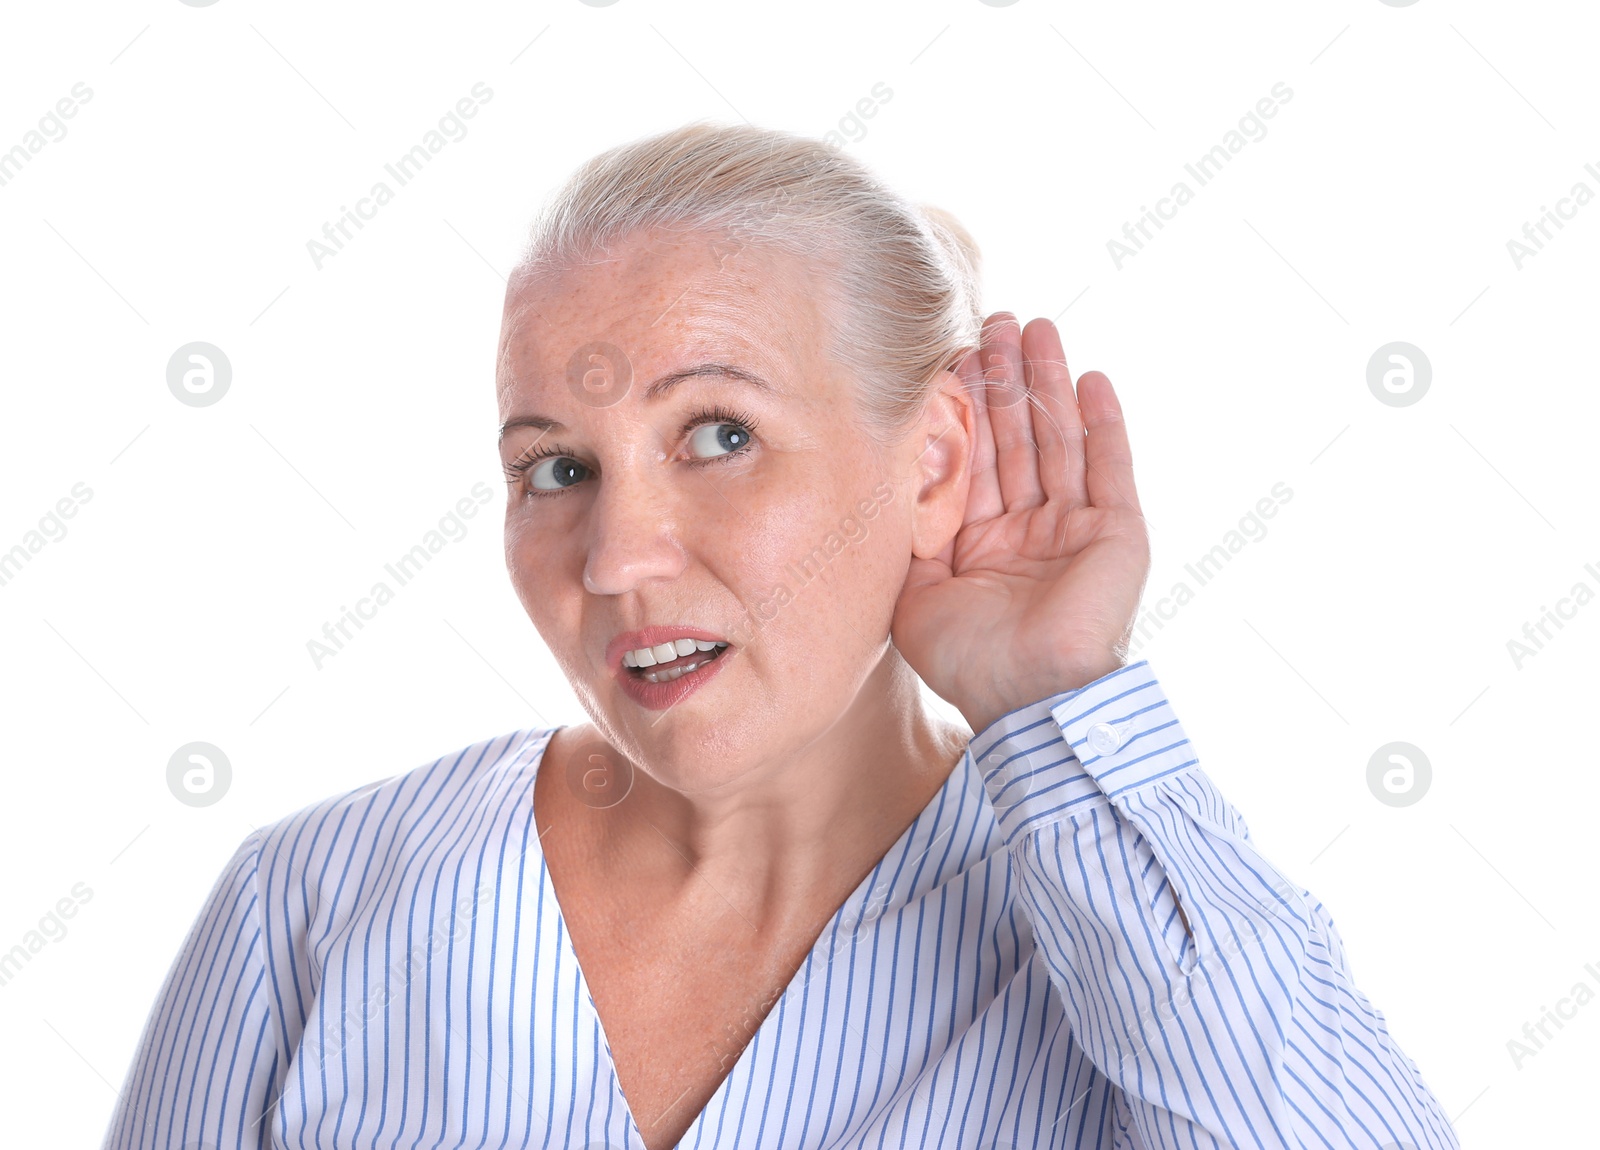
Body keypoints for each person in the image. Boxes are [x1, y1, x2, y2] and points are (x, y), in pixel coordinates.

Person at [100, 122, 1459, 1150]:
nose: (621, 556)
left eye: (721, 434)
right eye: (557, 468)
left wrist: (1055, 698)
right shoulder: (312, 910)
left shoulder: (1112, 941)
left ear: (932, 463)